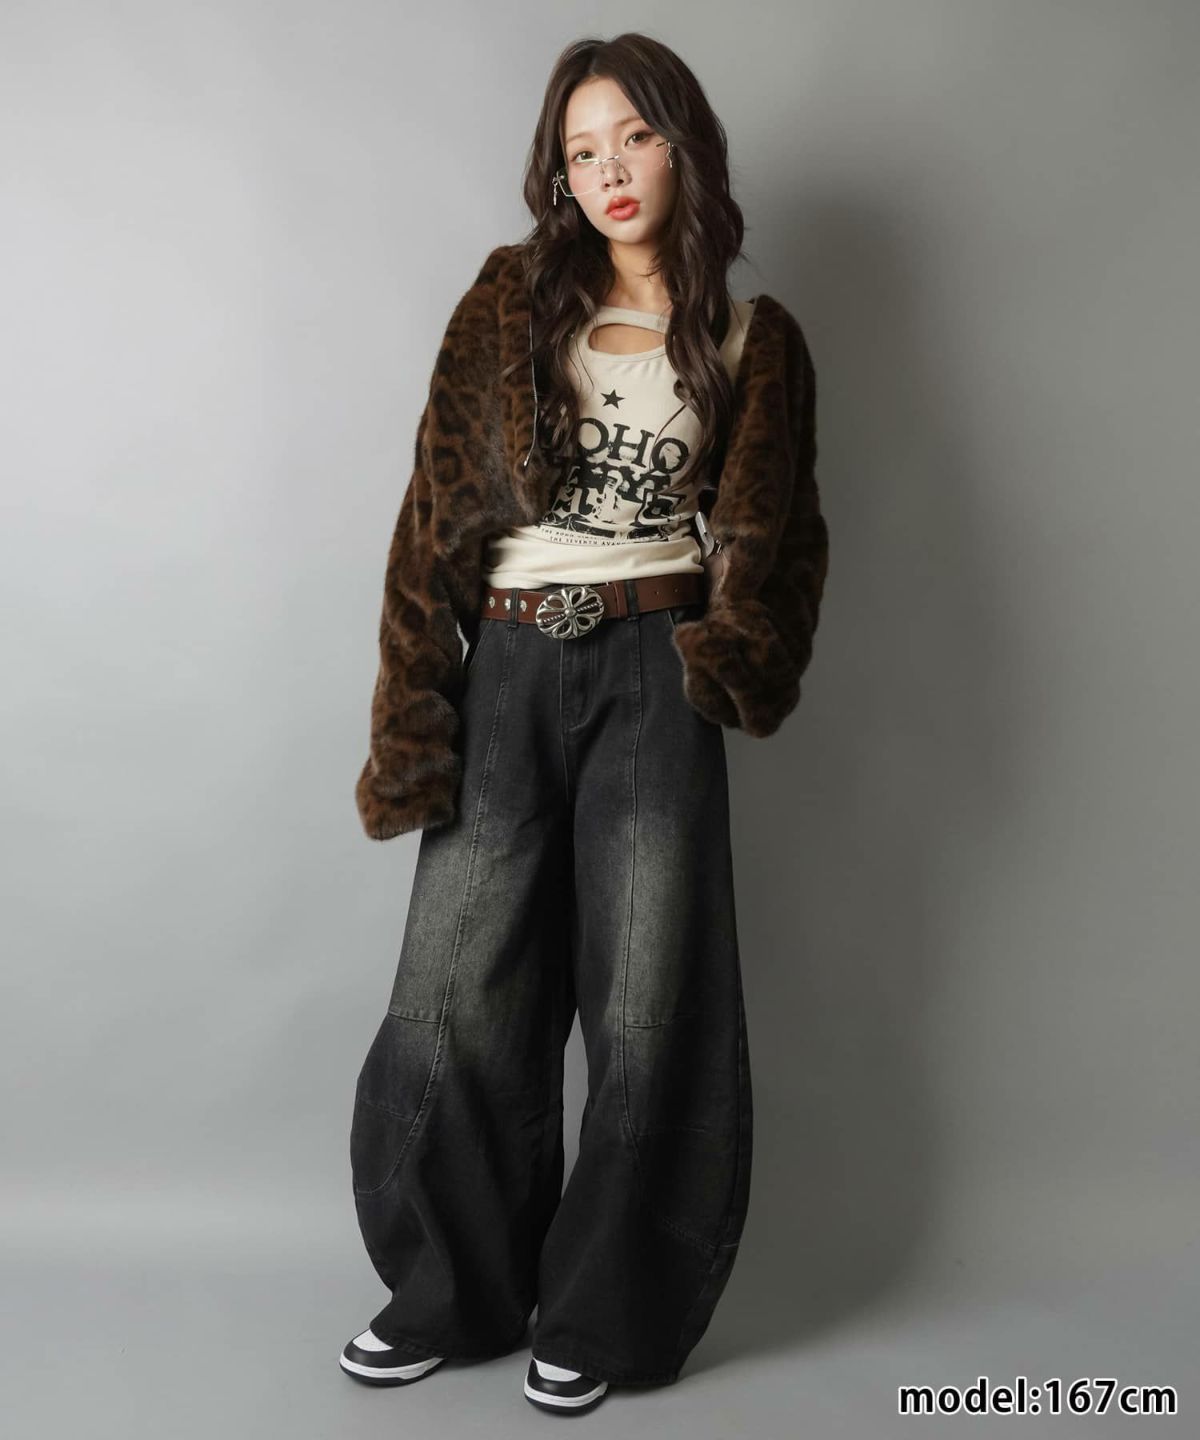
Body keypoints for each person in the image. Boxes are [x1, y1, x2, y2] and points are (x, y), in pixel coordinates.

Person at [340, 32, 829, 1415]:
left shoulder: (753, 338)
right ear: (559, 175)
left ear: (685, 146)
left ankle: (605, 1313)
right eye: (581, 150)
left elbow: (782, 543)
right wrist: (412, 711)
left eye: (635, 138)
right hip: (504, 661)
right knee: (454, 991)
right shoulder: (508, 304)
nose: (609, 170)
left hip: (655, 673)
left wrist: (732, 659)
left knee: (646, 997)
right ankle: (452, 1293)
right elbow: (429, 521)